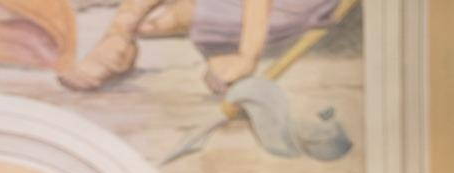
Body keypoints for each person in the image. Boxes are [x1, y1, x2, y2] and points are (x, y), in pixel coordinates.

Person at [60, 0, 337, 93]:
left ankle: (139, 30)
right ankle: (118, 36)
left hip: (282, 9)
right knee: (151, 22)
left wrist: (246, 56)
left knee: (168, 20)